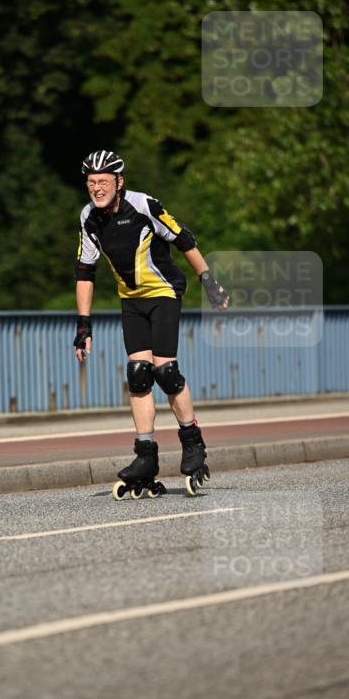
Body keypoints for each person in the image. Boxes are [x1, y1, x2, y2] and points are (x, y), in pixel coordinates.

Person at [73, 149, 229, 496]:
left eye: (103, 182)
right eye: (91, 183)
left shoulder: (144, 206)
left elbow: (183, 238)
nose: (96, 189)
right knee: (138, 374)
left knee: (165, 371)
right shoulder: (88, 218)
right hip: (131, 300)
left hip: (164, 292)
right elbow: (85, 271)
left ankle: (192, 442)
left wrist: (208, 282)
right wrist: (83, 325)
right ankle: (145, 456)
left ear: (119, 182)